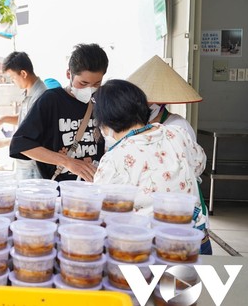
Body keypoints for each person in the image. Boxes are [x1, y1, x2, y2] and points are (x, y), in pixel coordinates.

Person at [90, 79, 211, 254]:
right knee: (190, 282)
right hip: (196, 242)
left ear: (106, 122)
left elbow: (102, 213)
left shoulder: (114, 159)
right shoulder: (177, 134)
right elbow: (199, 164)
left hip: (152, 251)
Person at [9, 43, 109, 181]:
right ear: (69, 74)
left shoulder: (101, 100)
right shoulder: (51, 100)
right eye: (83, 83)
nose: (90, 89)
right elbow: (20, 144)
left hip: (94, 187)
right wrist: (67, 162)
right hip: (59, 190)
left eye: (96, 84)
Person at [0, 51, 47, 179]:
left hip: (33, 165)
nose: (13, 82)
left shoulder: (41, 97)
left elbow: (34, 137)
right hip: (25, 162)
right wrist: (4, 119)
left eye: (13, 78)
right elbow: (26, 120)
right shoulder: (29, 91)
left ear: (23, 73)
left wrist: (3, 142)